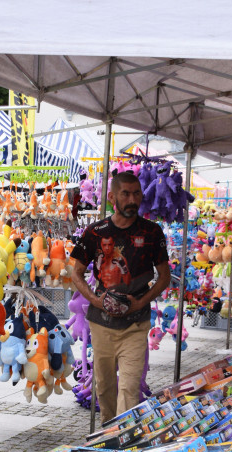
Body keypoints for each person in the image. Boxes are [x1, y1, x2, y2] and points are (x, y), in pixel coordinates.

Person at [70, 172, 170, 423]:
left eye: (136, 193)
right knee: (104, 389)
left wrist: (141, 301)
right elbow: (76, 273)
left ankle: (123, 439)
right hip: (101, 325)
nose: (132, 199)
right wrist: (95, 300)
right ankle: (107, 435)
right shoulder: (95, 232)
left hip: (136, 324)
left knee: (129, 388)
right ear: (113, 196)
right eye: (125, 193)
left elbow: (164, 277)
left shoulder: (152, 232)